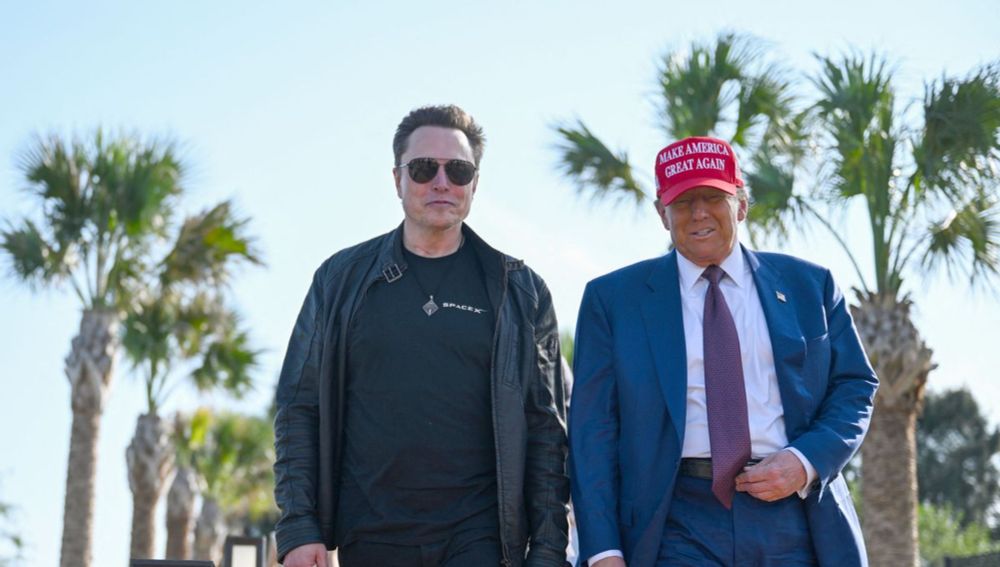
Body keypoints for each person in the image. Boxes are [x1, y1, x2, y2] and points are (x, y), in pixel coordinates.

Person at [274, 105, 570, 567]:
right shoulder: (339, 280)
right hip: (369, 535)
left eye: (458, 170)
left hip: (481, 540)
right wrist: (298, 528)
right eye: (423, 168)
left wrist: (549, 551)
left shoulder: (520, 291)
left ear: (474, 184)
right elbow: (299, 406)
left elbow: (547, 430)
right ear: (397, 180)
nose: (441, 182)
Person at [568, 136, 878, 567]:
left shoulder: (811, 286)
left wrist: (804, 460)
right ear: (662, 214)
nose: (699, 213)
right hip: (674, 523)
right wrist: (603, 549)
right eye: (682, 202)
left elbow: (854, 387)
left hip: (794, 514)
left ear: (741, 204)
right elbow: (592, 432)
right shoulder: (613, 300)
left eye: (714, 197)